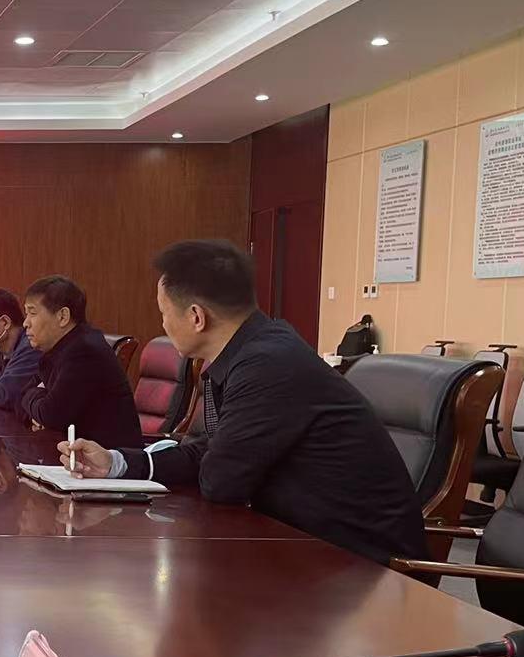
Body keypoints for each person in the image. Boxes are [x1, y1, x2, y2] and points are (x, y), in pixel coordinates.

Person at [59, 240, 426, 566]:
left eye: (163, 312)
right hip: (303, 547)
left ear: (196, 317)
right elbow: (211, 453)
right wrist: (117, 463)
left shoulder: (267, 364)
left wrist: (203, 458)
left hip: (360, 567)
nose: (163, 323)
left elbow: (220, 480)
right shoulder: (253, 351)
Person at [18, 275, 142, 448]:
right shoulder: (58, 350)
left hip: (108, 459)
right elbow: (22, 394)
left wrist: (37, 404)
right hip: (74, 453)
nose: (25, 323)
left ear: (63, 316)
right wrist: (38, 403)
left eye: (32, 313)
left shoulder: (84, 351)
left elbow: (51, 415)